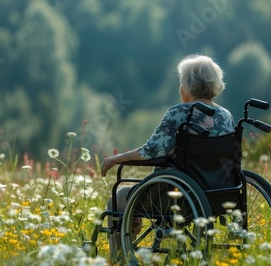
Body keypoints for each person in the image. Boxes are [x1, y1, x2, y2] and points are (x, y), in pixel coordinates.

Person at [100, 54, 235, 263]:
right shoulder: (225, 115)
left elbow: (151, 152)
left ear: (188, 87)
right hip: (218, 193)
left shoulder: (180, 113)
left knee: (117, 199)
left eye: (181, 83)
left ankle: (119, 259)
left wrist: (116, 159)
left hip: (177, 196)